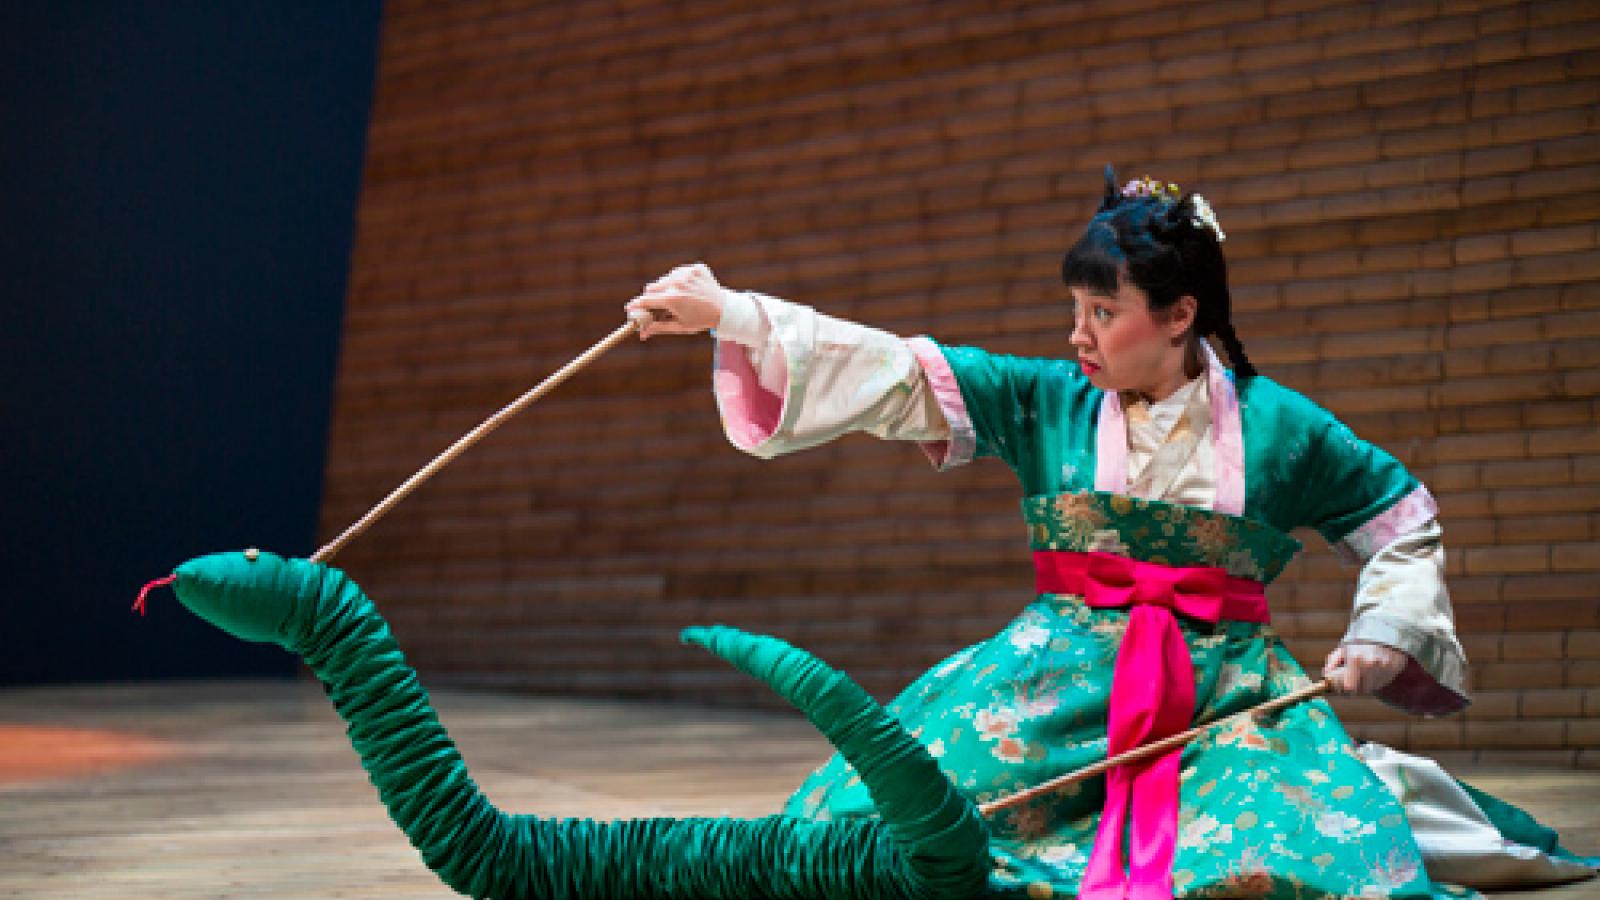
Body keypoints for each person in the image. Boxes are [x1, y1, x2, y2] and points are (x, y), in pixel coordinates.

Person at [625, 169, 1595, 898]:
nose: (1077, 337)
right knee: (876, 816)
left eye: (1102, 312)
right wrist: (733, 313)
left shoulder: (1280, 426)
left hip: (1222, 692)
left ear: (1180, 316)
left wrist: (1380, 635)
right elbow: (898, 373)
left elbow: (1401, 519)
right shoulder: (1046, 401)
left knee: (1308, 857)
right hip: (1048, 683)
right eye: (1073, 310)